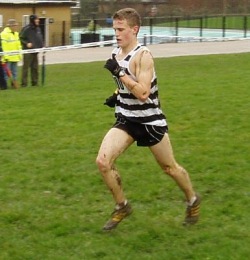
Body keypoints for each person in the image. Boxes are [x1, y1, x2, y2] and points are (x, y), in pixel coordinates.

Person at [96, 8, 201, 231]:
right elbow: (124, 86)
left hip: (150, 121)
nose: (117, 34)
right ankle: (121, 205)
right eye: (115, 29)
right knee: (103, 162)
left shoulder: (143, 56)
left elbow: (143, 93)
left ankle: (192, 200)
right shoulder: (116, 54)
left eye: (121, 29)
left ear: (134, 30)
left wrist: (120, 74)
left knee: (169, 168)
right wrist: (115, 96)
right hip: (126, 119)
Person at [19, 14, 43, 87]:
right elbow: (20, 37)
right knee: (26, 68)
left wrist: (42, 46)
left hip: (35, 51)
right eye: (36, 19)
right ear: (32, 20)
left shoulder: (38, 29)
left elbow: (40, 38)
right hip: (28, 52)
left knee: (35, 68)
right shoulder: (27, 29)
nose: (38, 20)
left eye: (38, 19)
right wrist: (26, 43)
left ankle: (35, 83)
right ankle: (24, 83)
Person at [0, 19, 22, 89]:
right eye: (15, 25)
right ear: (11, 26)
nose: (16, 27)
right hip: (8, 57)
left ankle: (14, 84)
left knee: (14, 72)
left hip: (15, 56)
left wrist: (20, 54)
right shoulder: (4, 34)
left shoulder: (16, 34)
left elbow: (19, 45)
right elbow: (4, 45)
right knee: (6, 72)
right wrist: (5, 56)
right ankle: (5, 85)